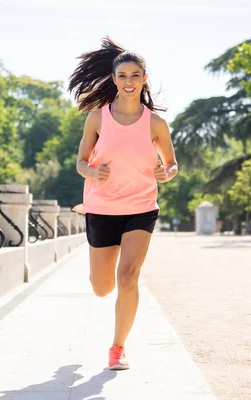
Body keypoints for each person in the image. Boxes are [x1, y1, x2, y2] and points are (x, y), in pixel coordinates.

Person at [68, 37, 178, 370]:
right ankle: (96, 276)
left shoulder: (156, 123)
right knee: (103, 287)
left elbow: (172, 164)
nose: (128, 82)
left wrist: (166, 173)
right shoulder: (97, 118)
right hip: (101, 208)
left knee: (128, 277)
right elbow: (80, 162)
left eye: (135, 76)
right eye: (122, 76)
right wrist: (92, 171)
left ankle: (118, 347)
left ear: (144, 79)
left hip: (141, 207)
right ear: (114, 79)